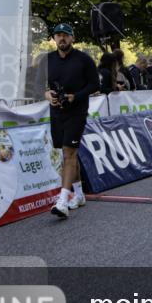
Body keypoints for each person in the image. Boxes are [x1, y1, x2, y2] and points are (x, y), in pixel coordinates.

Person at [44, 23, 99, 219]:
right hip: (56, 112)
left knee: (69, 153)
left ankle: (63, 201)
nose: (62, 38)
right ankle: (80, 195)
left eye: (65, 35)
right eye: (58, 35)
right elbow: (38, 85)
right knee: (68, 154)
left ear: (72, 38)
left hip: (77, 112)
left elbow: (95, 84)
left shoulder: (84, 59)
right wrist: (47, 94)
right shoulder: (48, 59)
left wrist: (76, 96)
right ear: (54, 38)